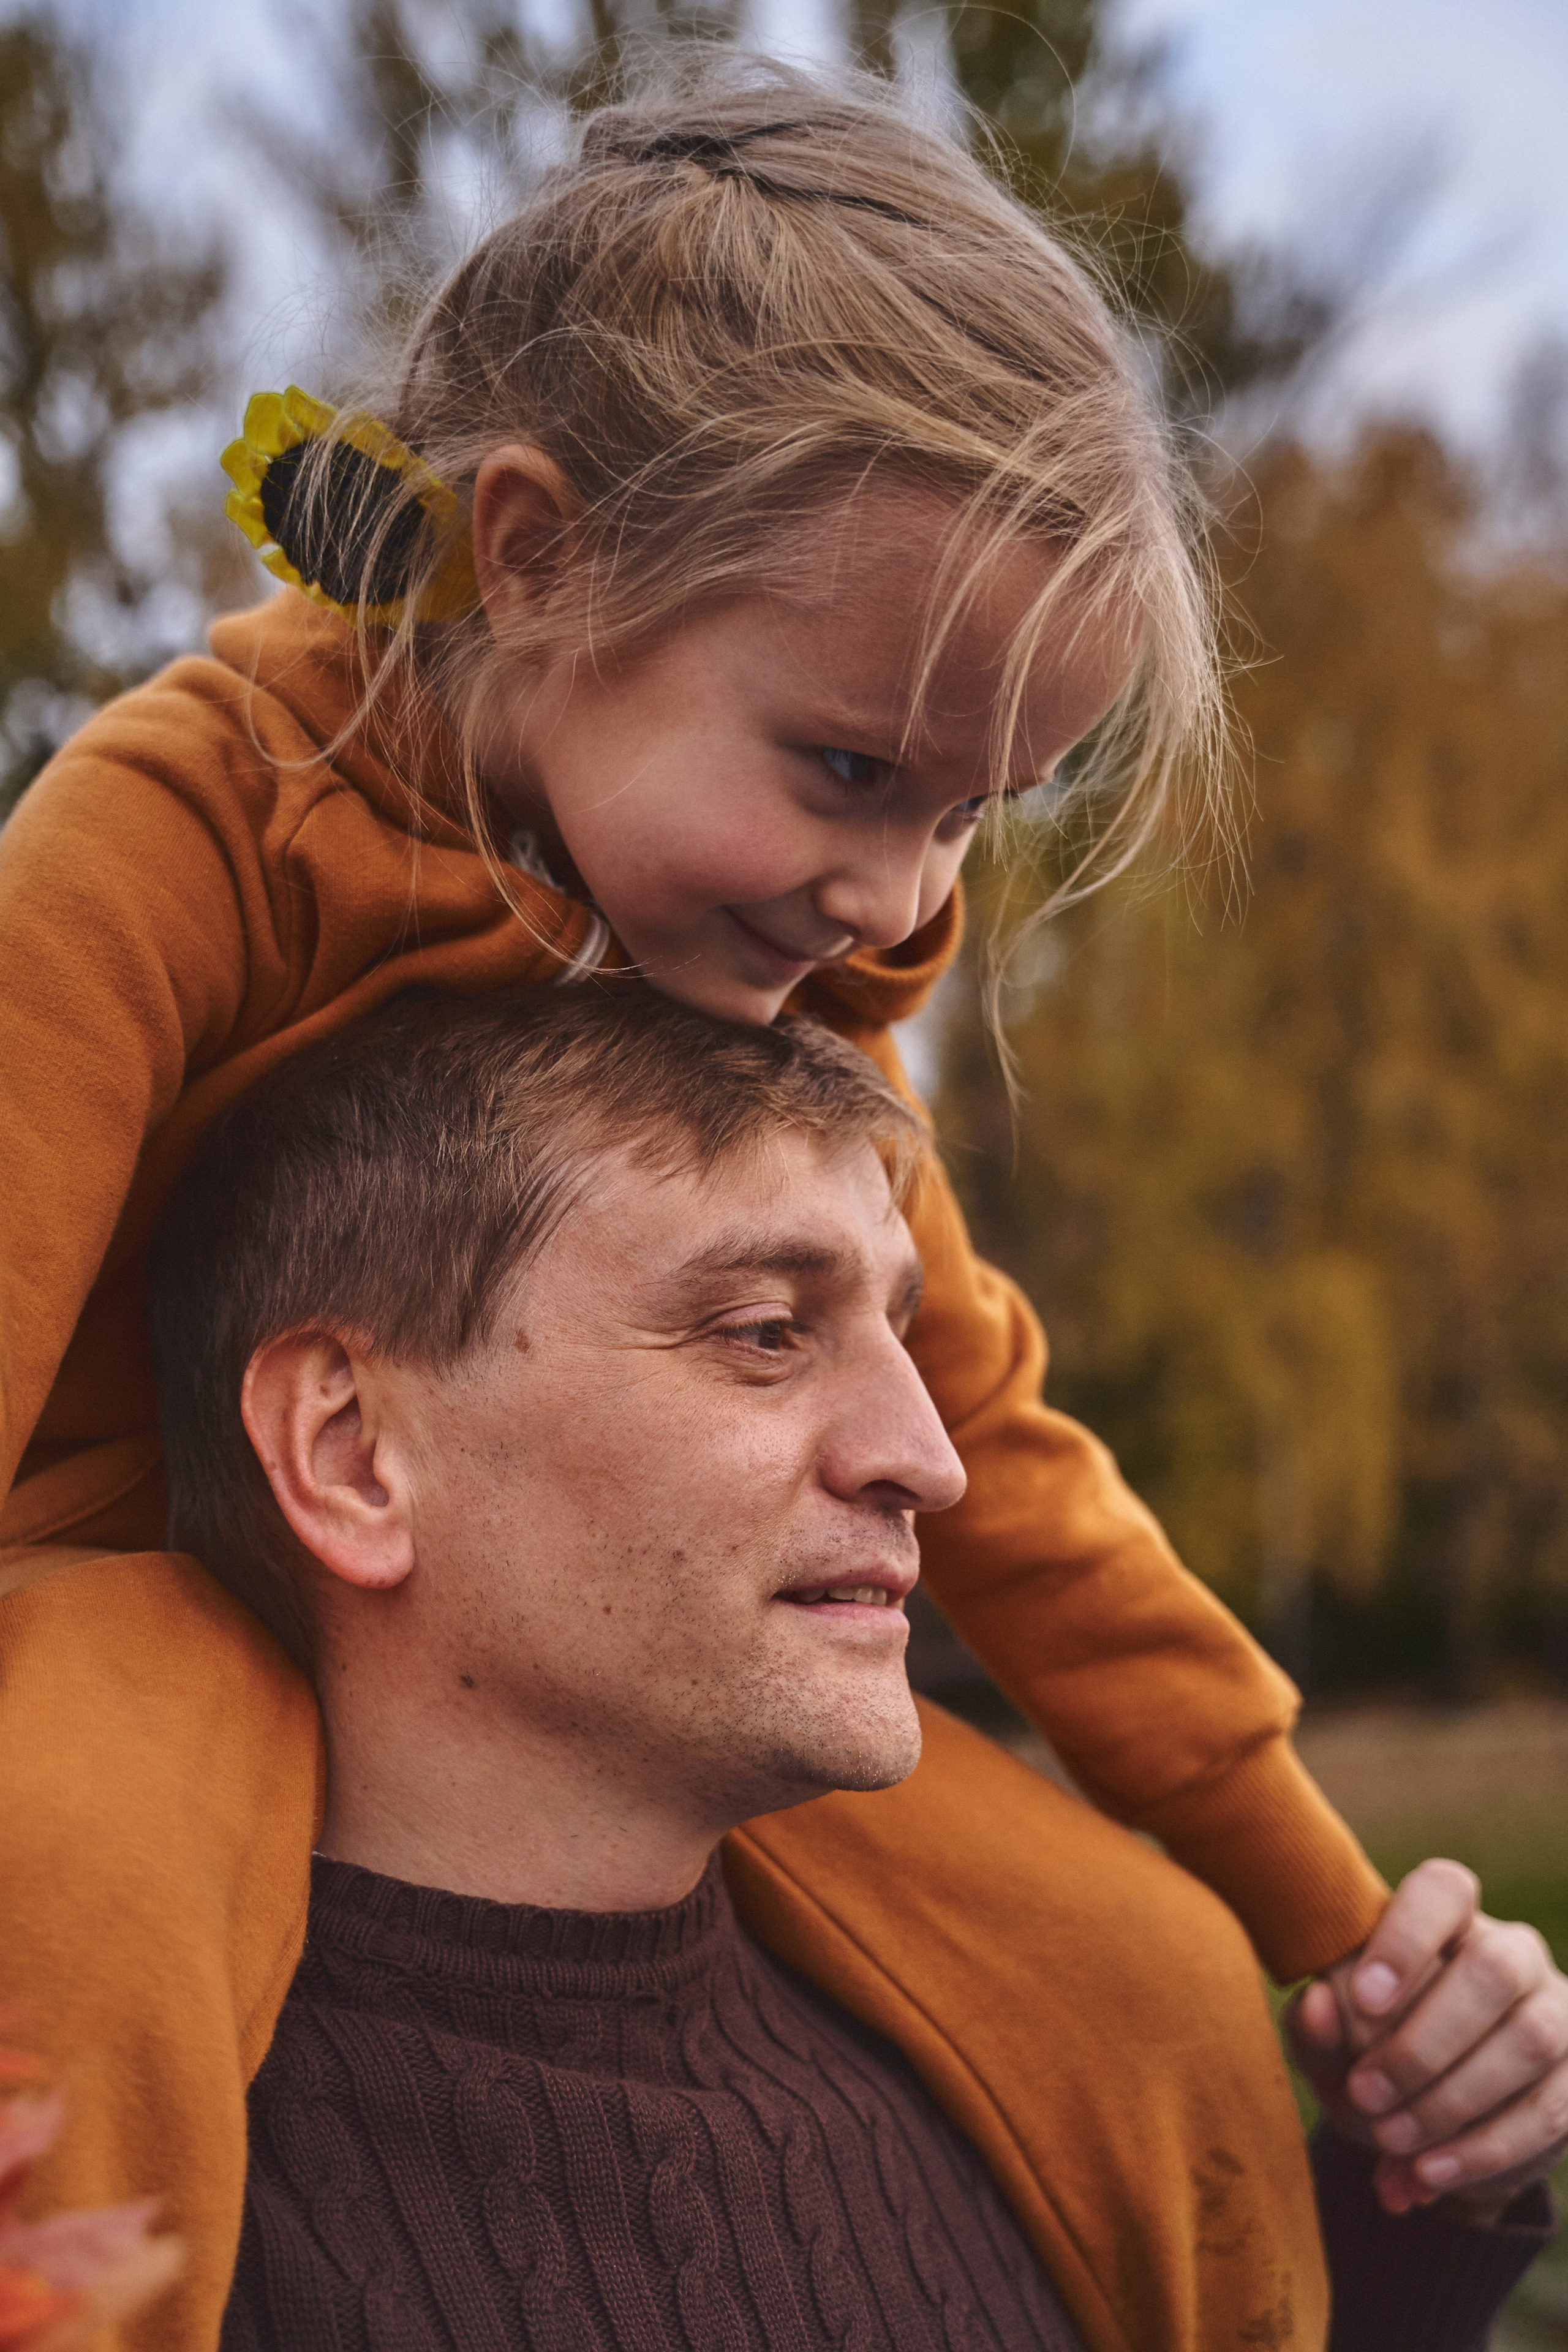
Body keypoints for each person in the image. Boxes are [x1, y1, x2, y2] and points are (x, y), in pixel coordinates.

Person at [1, 52, 1564, 2352]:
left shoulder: (769, 964)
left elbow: (998, 1456)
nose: (900, 889)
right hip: (138, 1568)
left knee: (1120, 1958)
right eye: (852, 769)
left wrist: (1340, 1927)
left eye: (971, 812)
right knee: (83, 1886)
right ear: (532, 558)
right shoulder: (189, 823)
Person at [145, 981, 1554, 2352]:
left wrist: (1418, 2178)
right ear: (350, 1455)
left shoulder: (1014, 2052)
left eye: (899, 1327)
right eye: (764, 1331)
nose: (930, 1460)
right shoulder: (122, 2216)